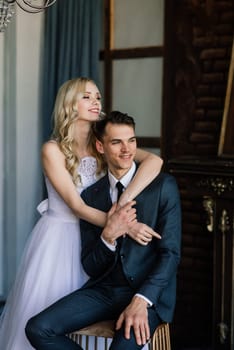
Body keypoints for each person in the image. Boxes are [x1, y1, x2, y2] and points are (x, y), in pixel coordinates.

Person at [0, 78, 163, 350]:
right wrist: (124, 226)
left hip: (98, 240)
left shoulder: (104, 146)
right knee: (45, 323)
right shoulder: (52, 149)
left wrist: (124, 203)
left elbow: (155, 161)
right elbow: (76, 207)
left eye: (98, 96)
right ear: (69, 104)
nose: (96, 101)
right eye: (87, 96)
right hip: (59, 241)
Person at [25, 111, 181, 350]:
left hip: (148, 294)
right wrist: (108, 236)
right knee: (38, 328)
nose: (127, 149)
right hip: (106, 291)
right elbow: (91, 265)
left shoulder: (163, 187)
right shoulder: (91, 196)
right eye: (117, 142)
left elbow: (170, 254)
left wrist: (142, 299)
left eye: (132, 141)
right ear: (100, 146)